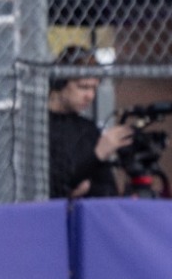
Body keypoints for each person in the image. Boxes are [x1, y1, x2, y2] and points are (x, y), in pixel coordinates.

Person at [47, 45, 131, 200]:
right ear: (60, 82)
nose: (90, 96)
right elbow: (54, 183)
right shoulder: (41, 127)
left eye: (94, 89)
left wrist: (89, 187)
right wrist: (97, 154)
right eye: (83, 87)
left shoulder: (88, 129)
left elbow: (108, 190)